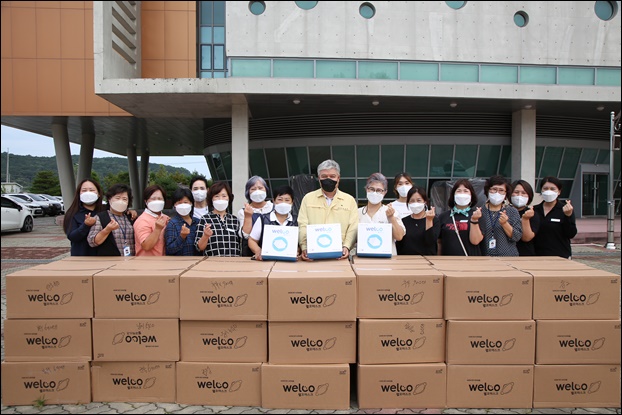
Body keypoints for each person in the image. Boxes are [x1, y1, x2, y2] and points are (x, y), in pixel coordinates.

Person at [297, 159, 358, 260]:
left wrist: (346, 246)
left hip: (339, 254)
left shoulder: (349, 200)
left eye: (332, 176)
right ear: (319, 178)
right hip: (313, 254)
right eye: (324, 176)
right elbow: (302, 224)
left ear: (338, 178)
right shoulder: (308, 198)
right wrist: (304, 247)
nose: (328, 179)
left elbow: (353, 226)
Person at [470, 175, 522, 257]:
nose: (497, 193)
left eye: (501, 190)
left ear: (506, 193)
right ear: (488, 190)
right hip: (485, 257)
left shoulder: (512, 211)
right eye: (494, 189)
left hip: (508, 257)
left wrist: (505, 224)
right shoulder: (480, 212)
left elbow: (517, 237)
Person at [358, 173, 405, 255]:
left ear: (385, 192)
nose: (375, 193)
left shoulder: (390, 211)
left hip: (387, 259)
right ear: (366, 189)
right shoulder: (357, 213)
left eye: (379, 190)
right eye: (372, 189)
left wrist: (391, 218)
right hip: (364, 258)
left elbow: (399, 237)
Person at [248, 185, 298, 260]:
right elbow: (252, 240)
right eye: (280, 199)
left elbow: (300, 243)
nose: (283, 203)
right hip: (266, 262)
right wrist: (258, 251)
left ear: (292, 202)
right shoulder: (262, 219)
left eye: (287, 200)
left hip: (290, 262)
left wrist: (297, 251)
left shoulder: (297, 221)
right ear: (274, 201)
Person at [532, 176, 577, 259]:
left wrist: (568, 216)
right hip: (538, 255)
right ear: (541, 190)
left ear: (559, 191)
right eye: (545, 188)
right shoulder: (534, 210)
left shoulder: (565, 209)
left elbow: (571, 233)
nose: (548, 191)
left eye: (552, 189)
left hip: (560, 255)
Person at [195, 181, 242, 256]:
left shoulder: (235, 220)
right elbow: (199, 247)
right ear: (211, 199)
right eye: (216, 196)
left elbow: (240, 244)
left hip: (234, 262)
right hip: (212, 262)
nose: (220, 199)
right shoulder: (205, 219)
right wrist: (205, 236)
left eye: (224, 196)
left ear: (229, 198)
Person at [87, 183, 136, 256]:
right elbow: (92, 242)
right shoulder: (100, 217)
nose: (121, 201)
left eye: (124, 199)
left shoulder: (130, 217)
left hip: (131, 259)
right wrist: (107, 230)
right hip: (110, 260)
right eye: (117, 198)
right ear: (109, 199)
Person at [437, 179, 482, 256]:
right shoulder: (443, 216)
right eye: (458, 191)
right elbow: (439, 242)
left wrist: (474, 220)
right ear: (453, 195)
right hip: (447, 260)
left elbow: (475, 241)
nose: (462, 194)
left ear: (471, 195)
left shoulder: (478, 215)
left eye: (466, 191)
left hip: (470, 260)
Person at [63, 178, 104, 256]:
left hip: (104, 256)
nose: (88, 193)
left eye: (91, 190)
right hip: (82, 256)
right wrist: (86, 225)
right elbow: (72, 237)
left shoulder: (106, 210)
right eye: (84, 190)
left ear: (99, 194)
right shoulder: (73, 213)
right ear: (79, 194)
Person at [396, 186, 440, 255]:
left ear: (425, 202)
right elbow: (399, 244)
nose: (415, 203)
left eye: (419, 200)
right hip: (406, 259)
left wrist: (429, 220)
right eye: (412, 201)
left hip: (427, 259)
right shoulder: (404, 221)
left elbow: (430, 242)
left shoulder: (434, 220)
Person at [237, 176, 274, 256]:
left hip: (273, 249)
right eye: (253, 189)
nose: (257, 191)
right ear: (248, 192)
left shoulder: (274, 208)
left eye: (260, 188)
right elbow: (245, 235)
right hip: (250, 254)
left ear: (266, 190)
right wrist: (248, 216)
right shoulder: (243, 211)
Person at [133, 185, 170, 256]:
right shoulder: (142, 220)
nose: (157, 201)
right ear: (146, 201)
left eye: (160, 198)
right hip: (147, 261)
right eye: (153, 199)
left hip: (164, 261)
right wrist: (157, 229)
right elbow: (146, 246)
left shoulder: (166, 218)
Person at [165, 187, 200, 256]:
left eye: (185, 202)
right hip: (180, 261)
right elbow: (169, 249)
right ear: (174, 205)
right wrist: (182, 237)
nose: (183, 205)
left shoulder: (198, 222)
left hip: (198, 261)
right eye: (179, 203)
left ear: (191, 203)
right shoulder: (172, 223)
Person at [510, 179, 541, 256]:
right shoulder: (504, 212)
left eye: (523, 193)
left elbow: (527, 238)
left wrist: (525, 219)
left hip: (525, 255)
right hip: (506, 254)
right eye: (516, 192)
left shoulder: (532, 214)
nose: (519, 195)